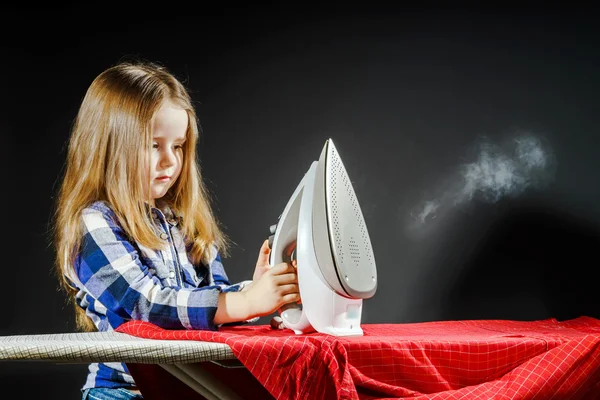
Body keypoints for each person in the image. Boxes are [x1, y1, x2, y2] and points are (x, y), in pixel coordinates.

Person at [52, 59, 300, 399]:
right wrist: (245, 302)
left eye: (178, 146)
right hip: (125, 393)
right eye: (154, 145)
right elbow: (147, 306)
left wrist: (255, 290)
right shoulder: (93, 224)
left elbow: (210, 302)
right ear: (110, 145)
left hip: (189, 387)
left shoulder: (181, 220)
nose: (170, 160)